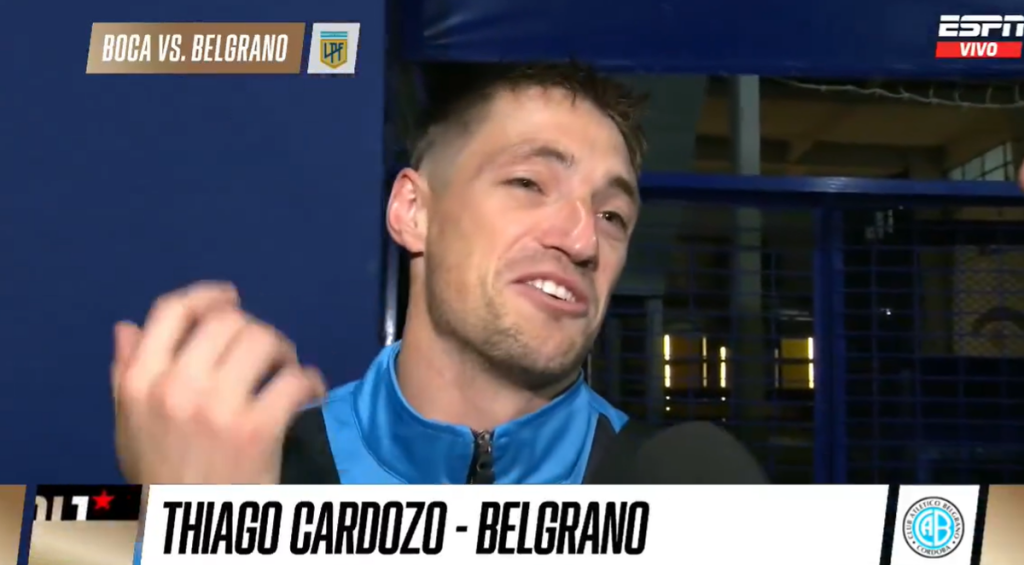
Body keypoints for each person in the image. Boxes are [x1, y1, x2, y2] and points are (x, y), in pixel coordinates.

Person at [113, 63, 763, 486]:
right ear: (413, 212)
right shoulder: (256, 468)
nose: (582, 239)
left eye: (613, 215)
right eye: (529, 183)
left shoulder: (687, 491)